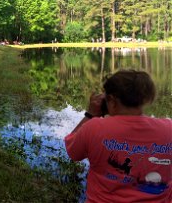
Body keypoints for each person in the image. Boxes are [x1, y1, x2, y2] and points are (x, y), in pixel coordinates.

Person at [64, 69, 172, 203]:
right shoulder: (169, 129)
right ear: (144, 99)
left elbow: (73, 151)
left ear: (111, 100)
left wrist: (90, 115)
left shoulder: (94, 128)